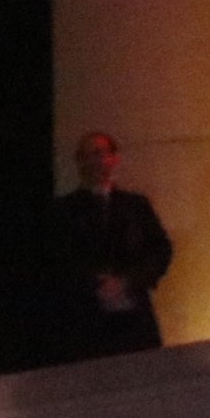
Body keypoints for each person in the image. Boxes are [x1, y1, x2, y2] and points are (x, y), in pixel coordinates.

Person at [48, 130, 174, 360]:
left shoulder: (136, 205)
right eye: (86, 155)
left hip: (134, 319)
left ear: (114, 158)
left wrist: (127, 281)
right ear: (79, 162)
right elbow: (56, 260)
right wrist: (94, 285)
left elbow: (160, 251)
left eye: (100, 153)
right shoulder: (63, 210)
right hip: (84, 321)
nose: (94, 161)